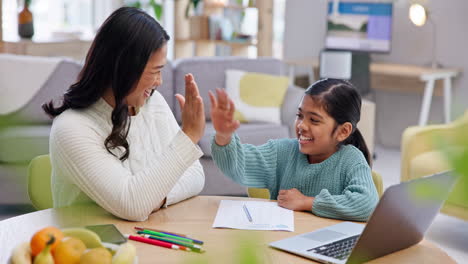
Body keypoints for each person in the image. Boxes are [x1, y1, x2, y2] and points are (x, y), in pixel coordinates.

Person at [43, 7, 206, 221]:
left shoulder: (153, 103)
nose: (160, 82)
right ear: (125, 67)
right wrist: (189, 136)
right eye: (155, 71)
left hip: (149, 237)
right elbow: (133, 205)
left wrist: (156, 198)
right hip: (92, 246)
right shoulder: (71, 128)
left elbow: (196, 176)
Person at [209, 79, 378, 221]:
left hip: (325, 250)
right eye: (300, 116)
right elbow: (238, 165)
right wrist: (224, 136)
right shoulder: (282, 152)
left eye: (314, 120)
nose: (302, 125)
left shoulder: (351, 159)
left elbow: (367, 204)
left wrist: (307, 202)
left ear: (343, 131)